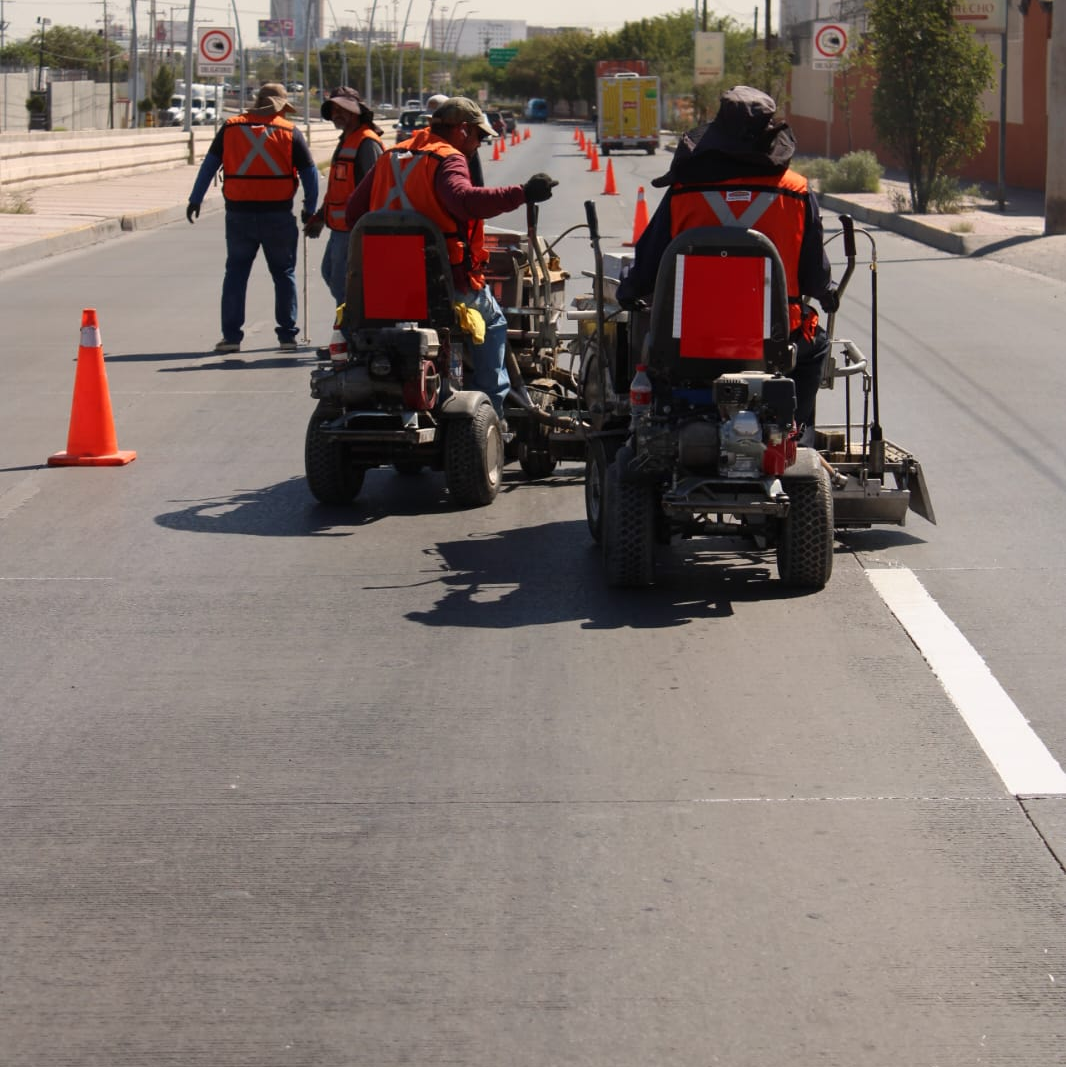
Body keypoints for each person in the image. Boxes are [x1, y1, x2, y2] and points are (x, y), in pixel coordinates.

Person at [616, 85, 839, 431]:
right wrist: (826, 292)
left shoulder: (683, 193)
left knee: (648, 353)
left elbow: (647, 266)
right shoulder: (796, 192)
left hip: (686, 343)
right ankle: (794, 431)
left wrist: (629, 290)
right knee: (817, 347)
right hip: (774, 345)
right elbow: (814, 278)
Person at [344, 96, 556, 420]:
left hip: (385, 288)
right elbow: (464, 201)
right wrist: (523, 193)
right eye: (479, 136)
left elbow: (352, 214)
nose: (479, 144)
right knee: (493, 322)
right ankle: (491, 411)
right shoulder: (448, 158)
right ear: (462, 130)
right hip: (442, 286)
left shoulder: (390, 156)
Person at [186, 83, 319, 354]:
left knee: (236, 274)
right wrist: (310, 208)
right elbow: (310, 174)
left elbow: (209, 165)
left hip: (239, 215)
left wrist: (195, 199)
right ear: (281, 107)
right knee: (284, 274)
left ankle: (231, 338)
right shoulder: (289, 132)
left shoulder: (231, 128)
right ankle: (287, 336)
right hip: (278, 215)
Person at [303, 87, 384, 306]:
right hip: (340, 227)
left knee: (343, 285)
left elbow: (376, 189)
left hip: (355, 228)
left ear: (356, 111)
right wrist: (321, 217)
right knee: (330, 273)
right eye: (334, 109)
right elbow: (338, 189)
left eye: (343, 109)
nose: (337, 114)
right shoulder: (347, 140)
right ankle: (352, 319)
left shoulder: (367, 143)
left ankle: (350, 324)